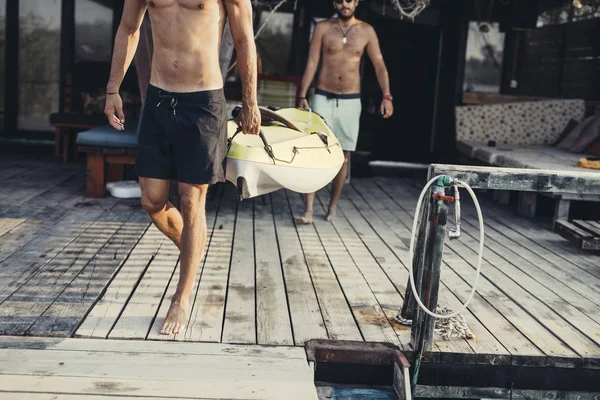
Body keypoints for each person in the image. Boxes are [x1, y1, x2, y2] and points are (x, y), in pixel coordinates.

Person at [104, 0, 261, 335]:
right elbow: (129, 28)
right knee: (152, 200)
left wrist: (250, 100)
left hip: (204, 102)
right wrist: (113, 89)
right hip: (159, 99)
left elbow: (245, 37)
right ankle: (194, 247)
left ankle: (181, 297)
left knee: (191, 201)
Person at [296, 0, 393, 223]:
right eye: (340, 0)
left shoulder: (366, 31)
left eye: (349, 0)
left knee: (343, 155)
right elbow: (312, 62)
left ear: (356, 2)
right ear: (334, 3)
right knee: (314, 150)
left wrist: (387, 96)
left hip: (350, 100)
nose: (344, 4)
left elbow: (379, 65)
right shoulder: (323, 28)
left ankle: (332, 207)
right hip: (322, 96)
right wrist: (302, 95)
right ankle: (308, 210)